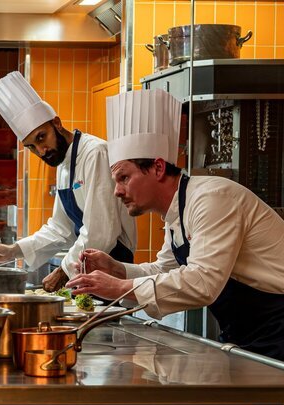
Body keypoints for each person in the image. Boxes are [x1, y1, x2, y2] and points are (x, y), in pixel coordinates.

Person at [67, 89, 284, 361]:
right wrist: (118, 270)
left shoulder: (212, 199)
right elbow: (164, 269)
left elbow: (203, 281)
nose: (117, 191)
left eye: (124, 178)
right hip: (247, 334)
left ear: (158, 168)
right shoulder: (176, 211)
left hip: (278, 329)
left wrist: (119, 288)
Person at [0, 71, 136, 291]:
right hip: (88, 273)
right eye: (31, 146)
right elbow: (61, 229)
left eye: (41, 137)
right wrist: (12, 250)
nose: (41, 151)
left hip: (112, 268)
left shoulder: (94, 153)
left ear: (57, 124)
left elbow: (101, 232)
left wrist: (63, 271)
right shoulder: (63, 163)